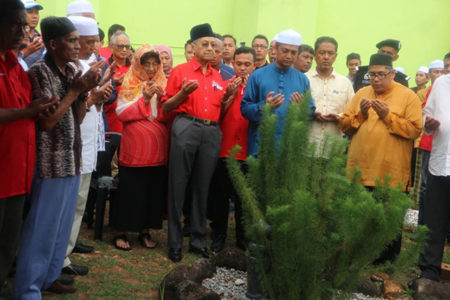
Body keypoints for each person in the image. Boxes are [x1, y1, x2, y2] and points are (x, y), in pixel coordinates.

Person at [13, 16, 102, 297]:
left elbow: (75, 118)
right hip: (50, 163)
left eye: (79, 40)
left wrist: (85, 92)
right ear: (53, 43)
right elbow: (48, 123)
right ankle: (28, 288)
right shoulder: (40, 71)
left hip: (71, 158)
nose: (78, 46)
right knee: (41, 229)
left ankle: (49, 277)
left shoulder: (70, 70)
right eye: (72, 40)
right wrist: (76, 90)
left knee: (60, 228)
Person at [161, 23, 238, 262]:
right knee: (178, 186)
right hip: (186, 126)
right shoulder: (180, 71)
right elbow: (165, 107)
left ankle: (197, 240)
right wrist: (183, 93)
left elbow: (221, 113)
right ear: (193, 47)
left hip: (211, 131)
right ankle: (174, 243)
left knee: (203, 187)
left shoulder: (218, 76)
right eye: (204, 44)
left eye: (214, 46)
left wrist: (229, 97)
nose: (210, 49)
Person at [340, 53, 422, 263]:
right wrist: (362, 115)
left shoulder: (407, 96)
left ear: (392, 73)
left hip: (390, 172)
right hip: (360, 168)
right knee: (358, 219)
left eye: (380, 74)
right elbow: (345, 125)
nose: (375, 79)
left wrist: (388, 116)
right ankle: (355, 259)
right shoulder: (361, 94)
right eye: (372, 74)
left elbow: (414, 130)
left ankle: (385, 265)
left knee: (387, 220)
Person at [0, 1, 56, 294]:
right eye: (17, 24)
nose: (24, 30)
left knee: (9, 245)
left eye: (26, 24)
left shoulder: (16, 65)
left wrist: (41, 110)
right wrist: (26, 112)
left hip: (19, 174)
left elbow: (25, 107)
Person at [62, 15, 113, 277]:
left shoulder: (90, 64)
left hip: (88, 143)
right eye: (89, 41)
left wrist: (100, 97)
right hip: (70, 146)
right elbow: (72, 108)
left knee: (79, 202)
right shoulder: (70, 68)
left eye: (96, 41)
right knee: (68, 204)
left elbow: (91, 105)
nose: (95, 46)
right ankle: (59, 259)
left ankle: (66, 254)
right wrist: (93, 97)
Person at [112, 44, 168, 251]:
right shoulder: (130, 82)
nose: (152, 69)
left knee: (152, 189)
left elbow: (167, 115)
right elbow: (122, 114)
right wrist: (144, 99)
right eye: (147, 64)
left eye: (155, 64)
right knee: (131, 188)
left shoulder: (164, 82)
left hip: (157, 148)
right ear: (138, 64)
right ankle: (122, 230)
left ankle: (145, 230)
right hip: (135, 148)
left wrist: (161, 100)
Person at [209, 46, 256, 253]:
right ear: (232, 64)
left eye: (247, 64)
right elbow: (215, 117)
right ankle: (218, 235)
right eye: (239, 64)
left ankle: (243, 237)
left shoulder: (259, 89)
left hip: (248, 151)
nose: (243, 68)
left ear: (255, 66)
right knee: (221, 196)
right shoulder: (224, 85)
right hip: (225, 150)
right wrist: (230, 95)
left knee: (243, 198)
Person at [241, 29, 315, 157]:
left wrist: (301, 108)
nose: (289, 56)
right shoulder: (257, 75)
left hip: (289, 149)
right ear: (275, 49)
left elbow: (310, 111)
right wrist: (265, 106)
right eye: (285, 51)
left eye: (293, 52)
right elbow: (245, 108)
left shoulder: (302, 79)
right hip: (261, 146)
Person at [414, 74, 450, 284]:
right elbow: (425, 119)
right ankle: (430, 270)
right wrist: (429, 123)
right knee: (435, 219)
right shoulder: (441, 83)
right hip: (441, 161)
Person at [307, 36, 354, 154]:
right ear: (315, 54)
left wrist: (339, 117)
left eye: (330, 53)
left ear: (336, 56)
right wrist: (310, 113)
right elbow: (294, 108)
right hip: (307, 147)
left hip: (334, 148)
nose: (326, 57)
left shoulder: (345, 83)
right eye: (322, 53)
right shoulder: (304, 79)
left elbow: (353, 112)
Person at [414, 60, 445, 226]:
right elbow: (423, 114)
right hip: (429, 144)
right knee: (426, 186)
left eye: (444, 70)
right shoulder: (434, 89)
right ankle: (423, 226)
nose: (441, 74)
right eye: (438, 71)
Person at [104, 31, 131, 133]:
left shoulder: (134, 68)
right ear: (111, 46)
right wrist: (113, 83)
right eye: (120, 46)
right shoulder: (104, 66)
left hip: (128, 119)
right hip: (109, 117)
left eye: (127, 47)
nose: (124, 50)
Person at [21, 0, 45, 68]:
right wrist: (28, 51)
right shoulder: (14, 38)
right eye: (29, 12)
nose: (35, 16)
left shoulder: (42, 38)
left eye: (37, 12)